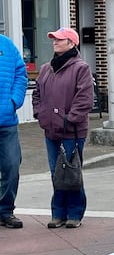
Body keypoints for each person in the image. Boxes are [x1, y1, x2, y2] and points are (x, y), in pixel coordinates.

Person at [32, 27, 94, 229]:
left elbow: (84, 99)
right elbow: (37, 95)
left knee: (71, 172)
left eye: (59, 39)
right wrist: (39, 114)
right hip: (50, 130)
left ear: (71, 43)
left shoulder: (81, 68)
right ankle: (58, 214)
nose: (55, 42)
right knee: (55, 173)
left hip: (72, 131)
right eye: (54, 39)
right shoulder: (45, 69)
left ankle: (75, 214)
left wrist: (69, 119)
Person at [0, 34, 28, 229]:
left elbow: (21, 74)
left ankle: (6, 211)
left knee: (11, 166)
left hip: (7, 120)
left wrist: (14, 101)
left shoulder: (6, 45)